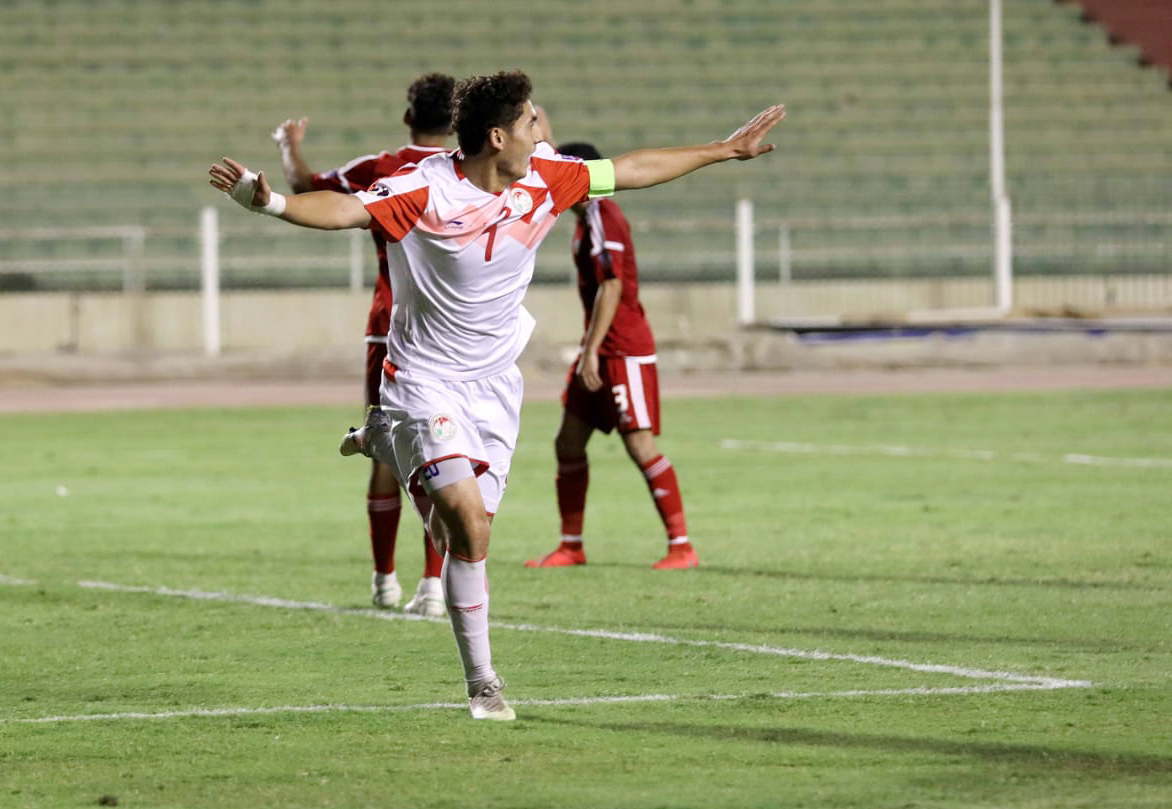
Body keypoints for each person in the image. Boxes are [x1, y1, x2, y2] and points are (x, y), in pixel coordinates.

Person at [209, 70, 784, 721]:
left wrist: (723, 150)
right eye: (532, 122)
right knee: (469, 524)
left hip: (494, 388)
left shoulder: (547, 176)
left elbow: (630, 169)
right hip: (424, 380)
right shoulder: (425, 187)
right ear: (497, 136)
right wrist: (272, 203)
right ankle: (483, 684)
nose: (543, 132)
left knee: (466, 533)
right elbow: (346, 210)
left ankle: (386, 441)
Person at [272, 73, 455, 617]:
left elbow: (308, 186)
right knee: (441, 448)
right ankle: (434, 584)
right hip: (449, 329)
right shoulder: (463, 169)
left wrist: (288, 146)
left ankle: (384, 580)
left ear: (408, 117)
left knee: (385, 444)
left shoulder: (383, 167)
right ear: (455, 122)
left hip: (389, 323)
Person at [524, 141, 698, 571]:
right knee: (568, 442)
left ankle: (682, 547)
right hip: (600, 348)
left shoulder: (604, 215)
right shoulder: (585, 220)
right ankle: (571, 546)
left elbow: (613, 284)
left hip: (622, 349)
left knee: (640, 444)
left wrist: (591, 352)